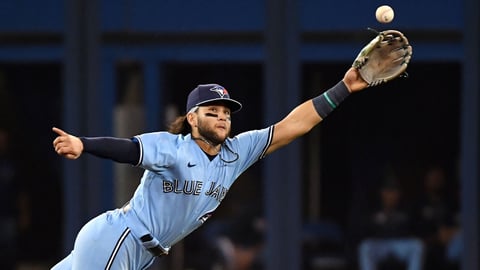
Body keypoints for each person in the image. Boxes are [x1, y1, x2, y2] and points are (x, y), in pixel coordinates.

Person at [50, 67, 370, 269]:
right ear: (192, 118)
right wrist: (83, 144)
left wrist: (343, 87)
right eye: (212, 110)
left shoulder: (237, 152)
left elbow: (292, 126)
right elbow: (129, 149)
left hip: (145, 253)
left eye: (226, 113)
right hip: (118, 237)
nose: (221, 117)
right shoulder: (175, 147)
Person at [358, 177, 424, 270]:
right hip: (380, 244)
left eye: (394, 192)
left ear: (399, 194)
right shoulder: (374, 210)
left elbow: (414, 229)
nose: (390, 195)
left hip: (400, 244)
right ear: (382, 193)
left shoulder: (406, 209)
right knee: (365, 246)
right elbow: (366, 231)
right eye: (388, 192)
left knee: (417, 245)